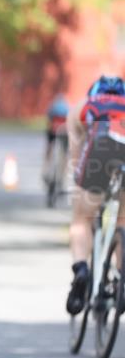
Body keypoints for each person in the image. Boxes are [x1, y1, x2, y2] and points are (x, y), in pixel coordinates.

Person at [66, 74, 125, 314]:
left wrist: (80, 186)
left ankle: (81, 269)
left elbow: (75, 154)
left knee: (81, 219)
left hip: (100, 149)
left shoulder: (83, 106)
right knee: (123, 219)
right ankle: (121, 280)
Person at [43, 91, 69, 181]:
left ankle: (46, 167)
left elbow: (48, 119)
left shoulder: (53, 107)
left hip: (53, 131)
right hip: (64, 131)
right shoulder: (67, 107)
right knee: (65, 152)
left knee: (49, 147)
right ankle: (63, 175)